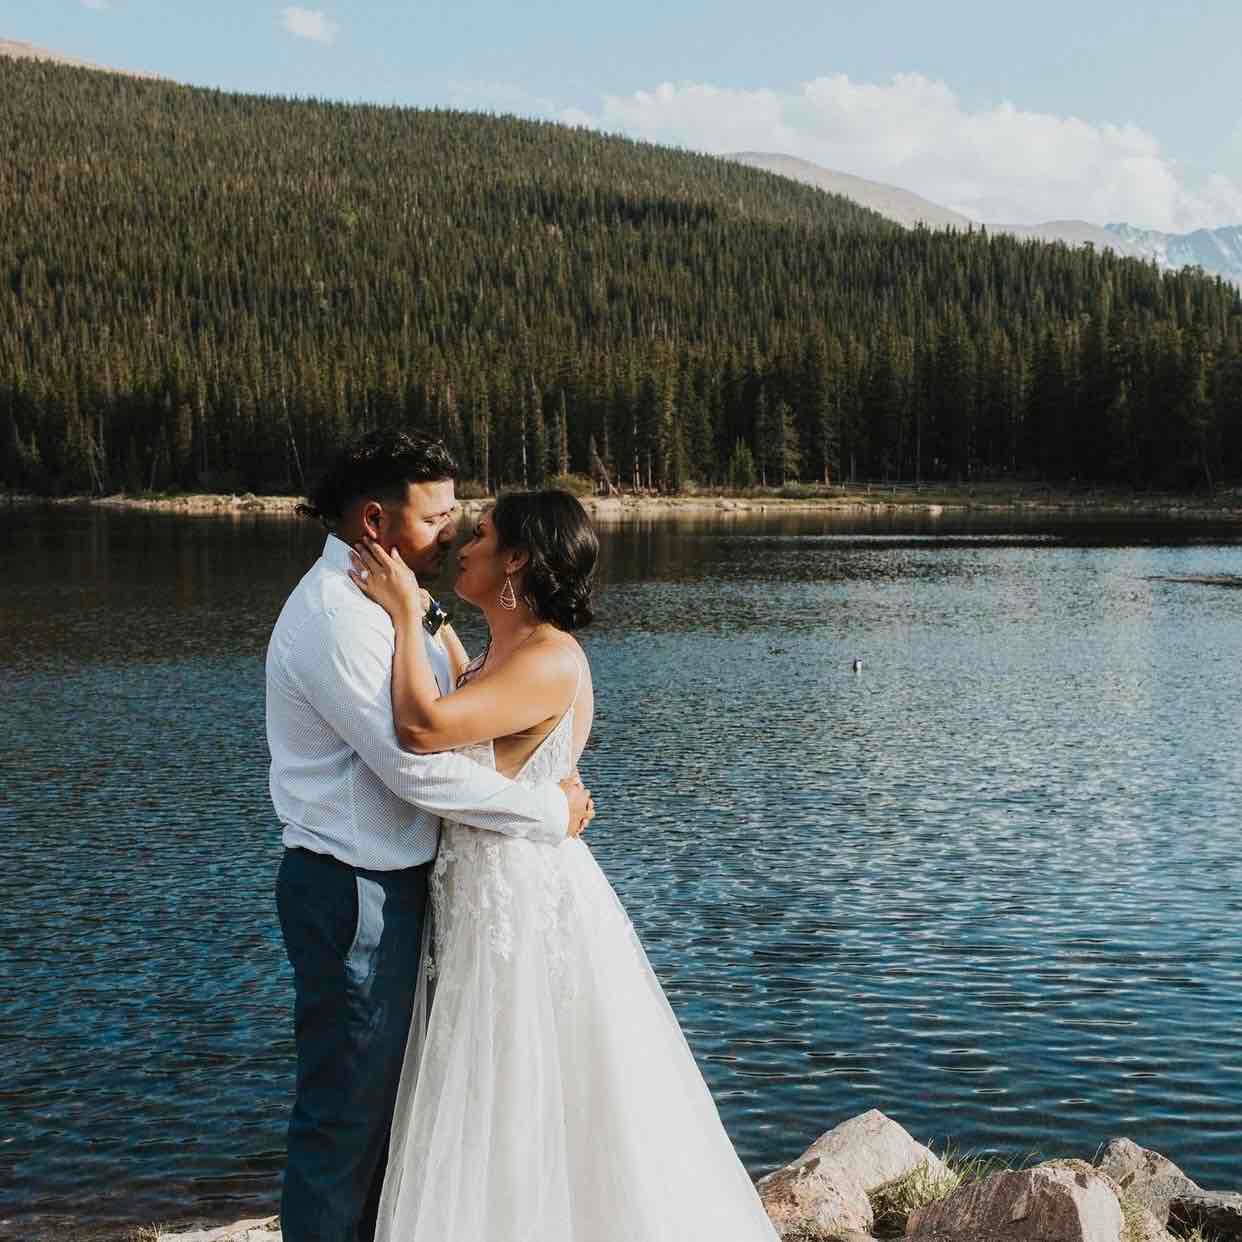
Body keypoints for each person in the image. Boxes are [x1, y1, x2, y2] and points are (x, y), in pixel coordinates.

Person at [350, 489, 779, 1242]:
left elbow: (424, 726)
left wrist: (401, 615)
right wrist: (429, 614)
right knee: (491, 1087)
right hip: (481, 896)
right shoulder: (505, 649)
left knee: (526, 1083)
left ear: (516, 558)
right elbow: (469, 688)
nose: (465, 546)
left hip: (519, 903)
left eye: (480, 537)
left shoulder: (550, 660)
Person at [265, 431, 595, 1242]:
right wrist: (550, 813)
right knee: (345, 1119)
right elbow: (416, 765)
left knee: (399, 1112)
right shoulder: (338, 619)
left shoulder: (390, 601)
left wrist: (422, 610)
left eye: (464, 519)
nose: (455, 530)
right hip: (354, 892)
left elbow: (458, 701)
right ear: (377, 521)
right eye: (441, 515)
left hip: (407, 885)